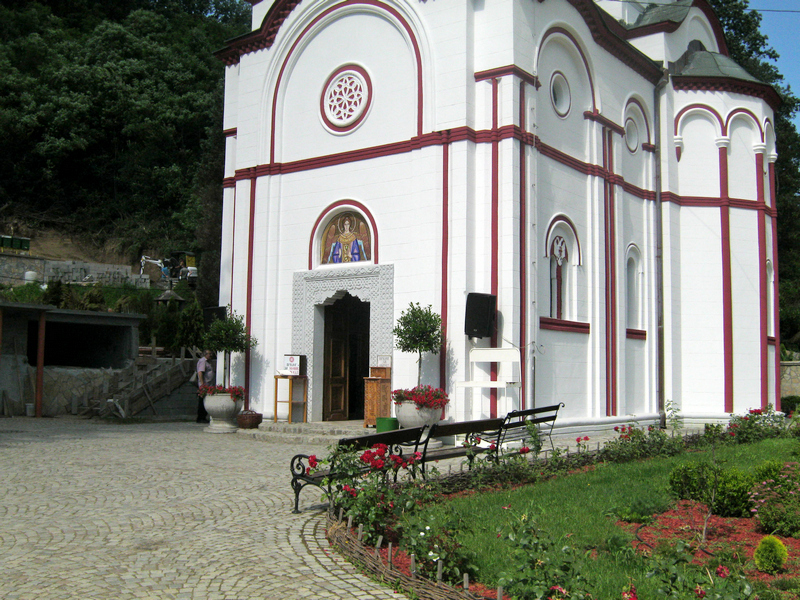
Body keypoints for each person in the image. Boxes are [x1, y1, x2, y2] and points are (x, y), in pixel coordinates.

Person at [196, 350, 215, 423]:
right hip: (205, 385)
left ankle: (203, 417)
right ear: (205, 354)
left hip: (209, 385)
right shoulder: (203, 361)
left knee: (205, 401)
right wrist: (202, 384)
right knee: (202, 401)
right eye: (209, 354)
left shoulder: (208, 362)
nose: (211, 355)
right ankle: (201, 417)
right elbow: (200, 372)